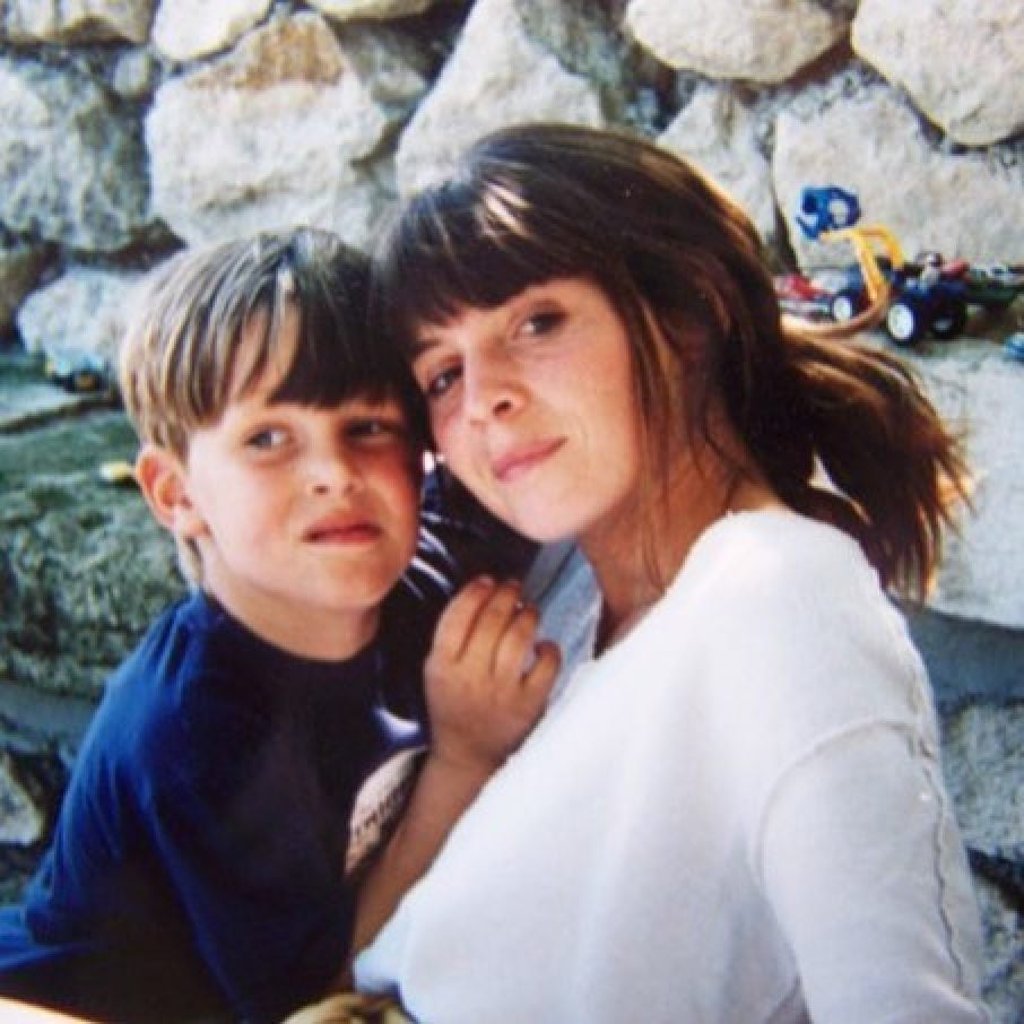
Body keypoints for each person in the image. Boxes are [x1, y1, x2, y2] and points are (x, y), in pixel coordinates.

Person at [353, 125, 990, 1023]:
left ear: (686, 315)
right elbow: (376, 960)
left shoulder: (779, 599)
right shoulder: (564, 582)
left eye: (536, 322)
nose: (484, 394)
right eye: (441, 373)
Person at [0, 228, 557, 1024]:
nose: (335, 473)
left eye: (369, 426)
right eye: (268, 439)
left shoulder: (419, 571)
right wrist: (464, 758)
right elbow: (319, 989)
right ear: (174, 492)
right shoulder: (199, 727)